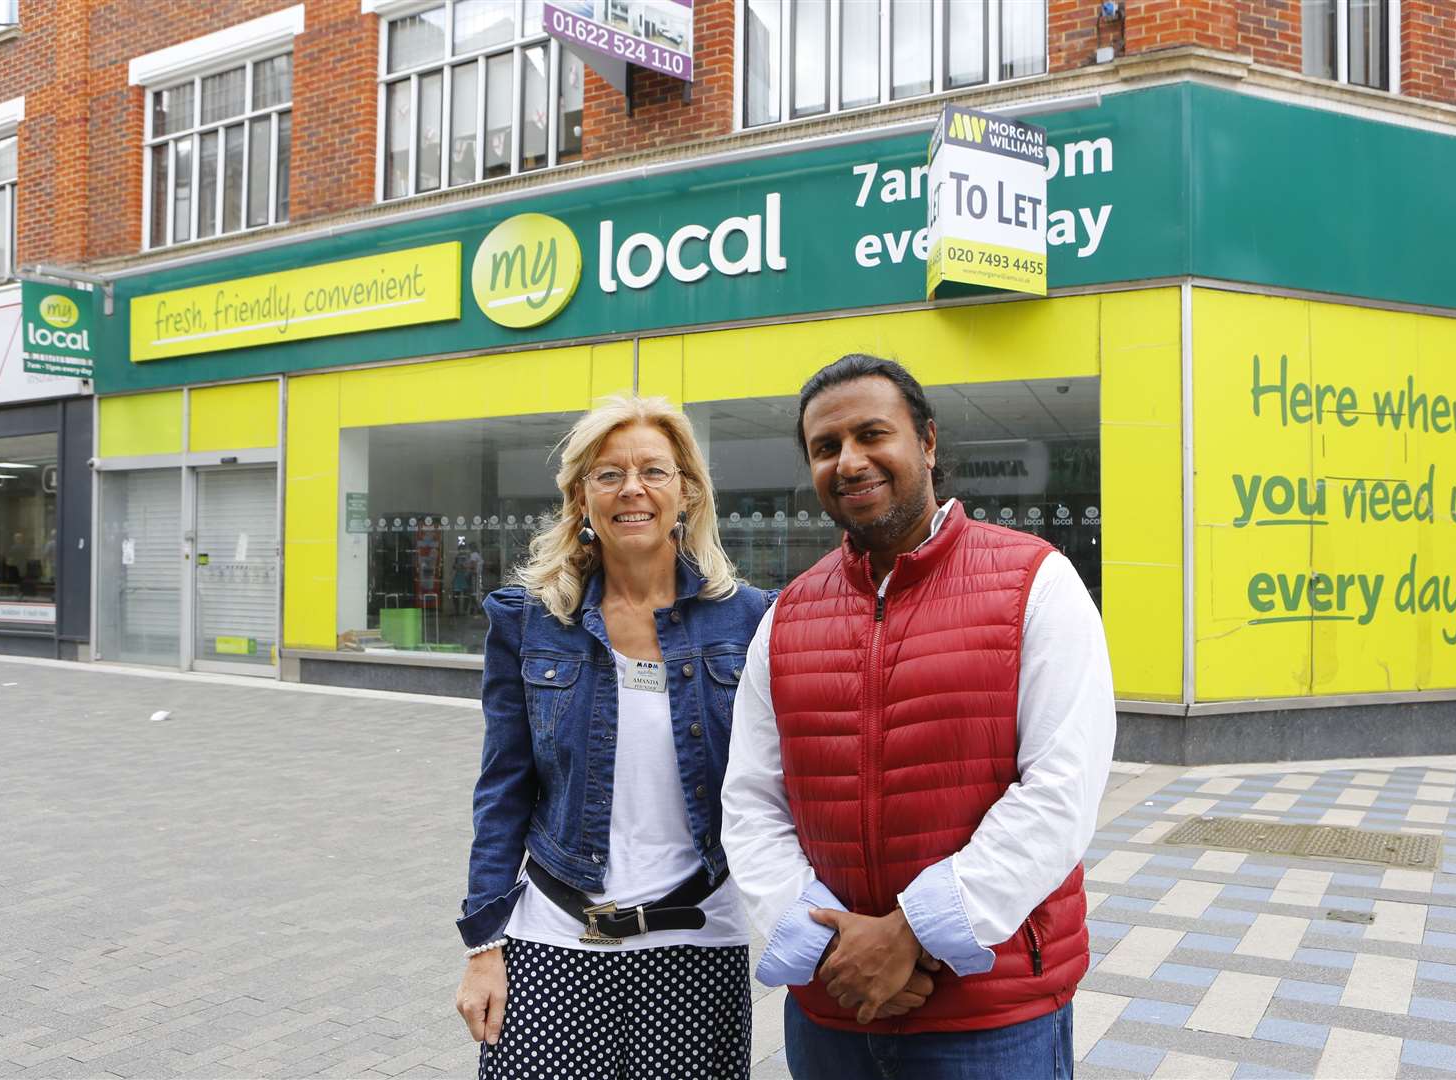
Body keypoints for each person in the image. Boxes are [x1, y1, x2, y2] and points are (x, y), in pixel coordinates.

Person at [722, 356, 1116, 1079]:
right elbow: (751, 801)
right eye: (826, 447)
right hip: (832, 1009)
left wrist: (912, 934)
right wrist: (837, 951)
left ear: (928, 443)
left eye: (873, 434)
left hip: (991, 1018)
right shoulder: (784, 618)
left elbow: (1063, 789)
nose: (850, 461)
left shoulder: (1037, 582)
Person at [455, 396, 774, 1080]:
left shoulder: (749, 621)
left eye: (653, 471)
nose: (632, 488)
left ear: (686, 491)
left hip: (696, 942)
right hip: (554, 936)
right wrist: (483, 944)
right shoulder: (529, 621)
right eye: (608, 474)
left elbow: (781, 785)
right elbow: (503, 790)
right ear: (580, 498)